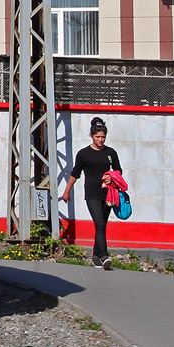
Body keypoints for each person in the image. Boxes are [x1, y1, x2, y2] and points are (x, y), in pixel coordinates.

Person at [61, 116, 123, 270]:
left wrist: (111, 176)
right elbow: (75, 173)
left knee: (101, 226)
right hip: (92, 194)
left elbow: (118, 170)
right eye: (97, 137)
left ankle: (95, 256)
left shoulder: (111, 153)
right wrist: (67, 191)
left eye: (103, 137)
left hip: (108, 194)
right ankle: (105, 256)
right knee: (100, 223)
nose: (100, 140)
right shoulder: (84, 154)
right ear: (91, 136)